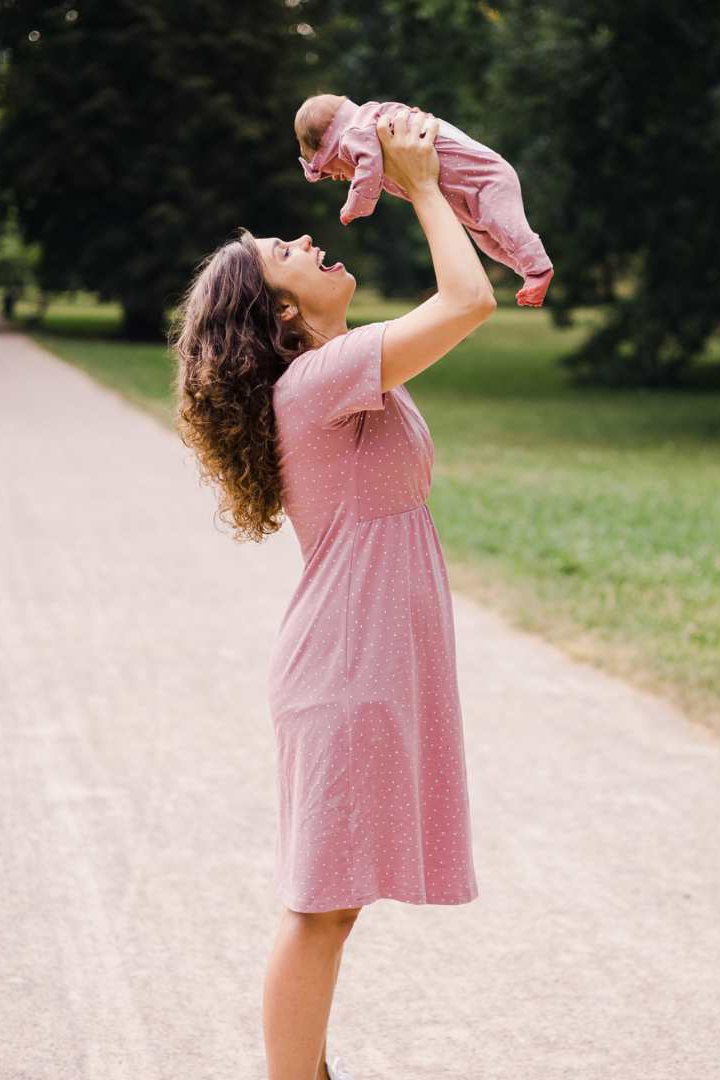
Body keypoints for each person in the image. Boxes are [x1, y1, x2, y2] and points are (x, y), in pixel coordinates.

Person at [173, 109, 496, 1080]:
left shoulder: (332, 377)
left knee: (331, 906)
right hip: (346, 672)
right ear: (278, 313)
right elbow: (470, 298)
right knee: (319, 907)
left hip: (356, 664)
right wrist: (428, 187)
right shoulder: (318, 381)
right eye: (286, 251)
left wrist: (433, 183)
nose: (308, 238)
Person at [296, 93, 553, 307]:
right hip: (467, 196)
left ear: (331, 143)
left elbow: (369, 170)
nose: (341, 176)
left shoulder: (358, 130)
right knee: (492, 240)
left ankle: (537, 268)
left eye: (336, 171)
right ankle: (526, 270)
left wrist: (355, 205)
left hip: (484, 180)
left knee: (507, 228)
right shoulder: (373, 122)